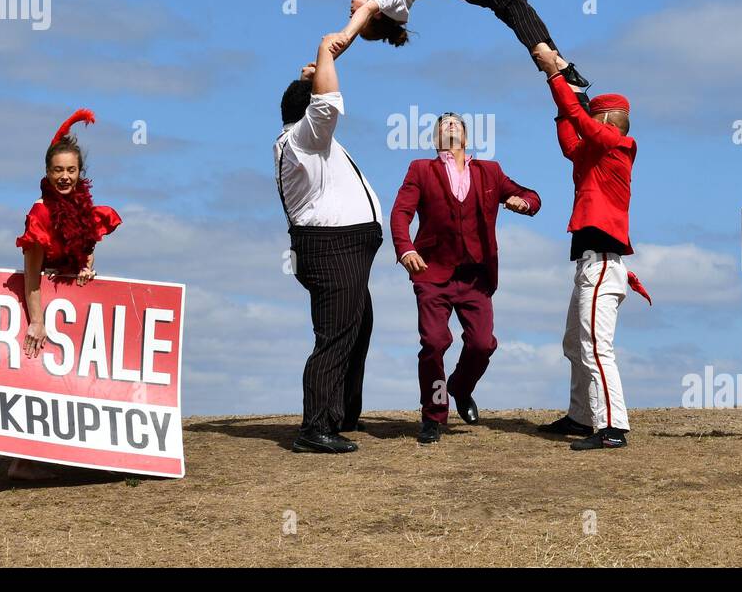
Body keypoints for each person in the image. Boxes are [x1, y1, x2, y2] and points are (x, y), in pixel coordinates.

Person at [390, 112, 541, 443]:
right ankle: (434, 414)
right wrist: (406, 250)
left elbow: (533, 196)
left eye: (456, 123)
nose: (450, 125)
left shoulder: (490, 171)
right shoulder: (420, 169)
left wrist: (523, 204)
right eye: (443, 124)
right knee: (433, 343)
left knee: (482, 343)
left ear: (467, 138)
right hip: (432, 273)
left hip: (475, 277)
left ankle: (459, 388)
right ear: (435, 139)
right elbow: (401, 212)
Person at [530, 47, 651, 450]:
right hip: (591, 262)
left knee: (596, 346)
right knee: (574, 342)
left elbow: (579, 122)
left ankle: (613, 427)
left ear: (603, 120)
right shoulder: (596, 151)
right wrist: (561, 99)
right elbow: (570, 139)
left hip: (601, 262)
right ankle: (583, 417)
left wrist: (555, 77)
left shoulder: (618, 143)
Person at [275, 33, 385, 454]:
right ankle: (315, 427)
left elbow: (314, 100)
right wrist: (326, 51)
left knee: (358, 327)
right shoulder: (304, 139)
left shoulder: (304, 141)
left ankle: (340, 414)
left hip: (343, 249)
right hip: (333, 249)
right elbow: (324, 104)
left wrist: (311, 74)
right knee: (337, 335)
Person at [13, 108, 122, 480]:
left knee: (76, 381)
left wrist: (87, 267)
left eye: (70, 170)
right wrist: (37, 321)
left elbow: (87, 245)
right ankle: (22, 462)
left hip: (72, 310)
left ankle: (74, 456)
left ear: (80, 174)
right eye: (57, 170)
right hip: (42, 308)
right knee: (35, 383)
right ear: (47, 173)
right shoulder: (40, 215)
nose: (64, 177)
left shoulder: (85, 211)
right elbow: (31, 275)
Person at [333, 0, 591, 97]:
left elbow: (366, 8)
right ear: (375, 14)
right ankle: (558, 68)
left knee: (512, 9)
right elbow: (365, 11)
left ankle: (559, 67)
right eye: (354, 17)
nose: (350, 12)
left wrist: (338, 48)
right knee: (514, 5)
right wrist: (341, 40)